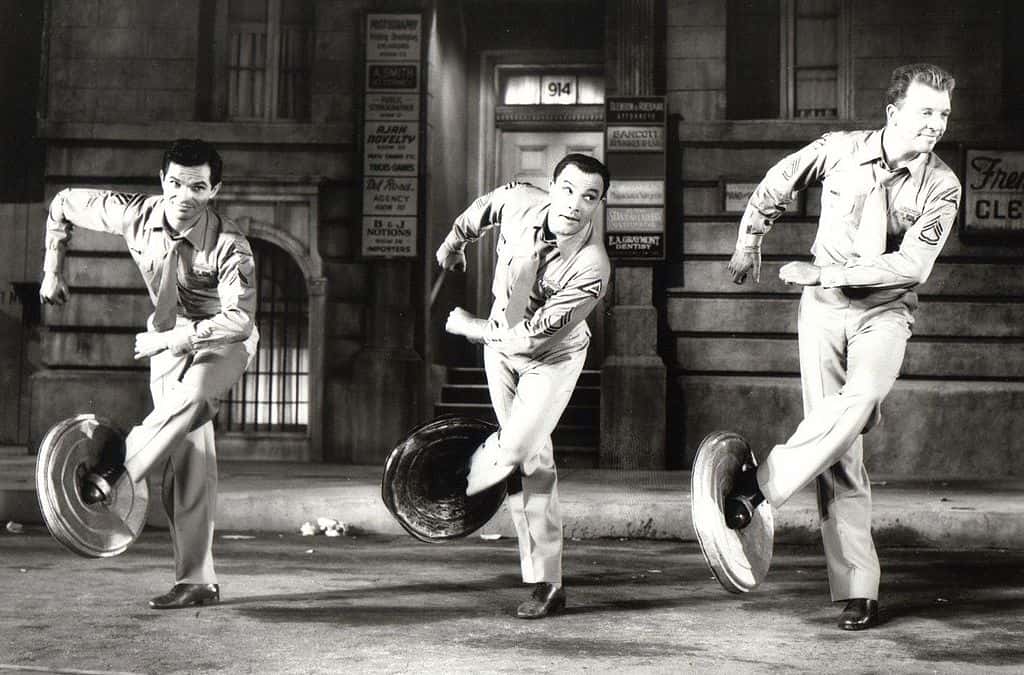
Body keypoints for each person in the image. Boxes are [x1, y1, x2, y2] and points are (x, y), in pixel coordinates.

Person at [722, 63, 961, 630]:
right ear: (894, 113)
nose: (936, 125)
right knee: (840, 453)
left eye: (944, 115)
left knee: (860, 403)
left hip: (885, 312)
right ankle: (857, 587)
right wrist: (748, 241)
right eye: (926, 112)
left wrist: (824, 273)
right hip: (823, 314)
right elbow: (779, 180)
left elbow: (913, 264)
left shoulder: (942, 185)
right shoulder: (839, 150)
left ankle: (761, 485)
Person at [40, 138, 258, 610]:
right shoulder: (132, 213)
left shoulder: (230, 245)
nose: (184, 195)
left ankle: (117, 472)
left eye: (197, 186)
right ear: (162, 182)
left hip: (221, 340)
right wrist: (52, 268)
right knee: (190, 456)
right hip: (165, 338)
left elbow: (239, 320)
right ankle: (198, 581)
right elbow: (62, 204)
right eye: (175, 183)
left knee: (196, 395)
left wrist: (176, 340)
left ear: (213, 190)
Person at [435, 154, 611, 619]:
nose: (576, 204)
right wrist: (455, 242)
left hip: (552, 357)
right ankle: (545, 582)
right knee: (531, 462)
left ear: (598, 204)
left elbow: (535, 335)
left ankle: (456, 477)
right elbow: (484, 209)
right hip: (500, 350)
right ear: (552, 186)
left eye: (589, 197)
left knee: (514, 450)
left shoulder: (592, 267)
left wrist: (472, 329)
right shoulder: (519, 201)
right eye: (569, 190)